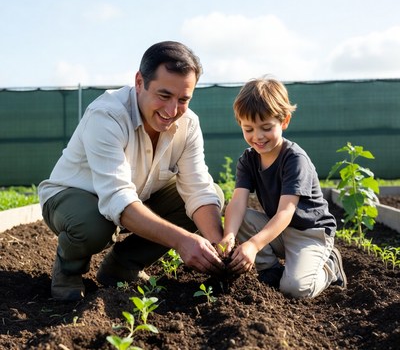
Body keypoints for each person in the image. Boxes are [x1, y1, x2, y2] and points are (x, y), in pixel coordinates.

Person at [38, 41, 225, 301]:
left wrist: (219, 247)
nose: (172, 111)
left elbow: (198, 189)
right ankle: (68, 270)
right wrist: (182, 241)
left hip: (137, 198)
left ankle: (122, 265)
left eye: (183, 99)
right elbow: (117, 198)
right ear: (140, 82)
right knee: (92, 226)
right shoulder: (107, 115)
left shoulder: (188, 124)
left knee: (211, 194)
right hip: (72, 198)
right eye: (164, 95)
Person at [218, 76, 347, 299]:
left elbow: (286, 212)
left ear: (284, 121)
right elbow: (238, 201)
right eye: (248, 129)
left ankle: (330, 267)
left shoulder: (294, 159)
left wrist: (254, 245)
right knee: (241, 217)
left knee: (296, 289)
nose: (257, 136)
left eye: (266, 127)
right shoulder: (248, 160)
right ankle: (271, 270)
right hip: (279, 230)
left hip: (310, 233)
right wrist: (228, 236)